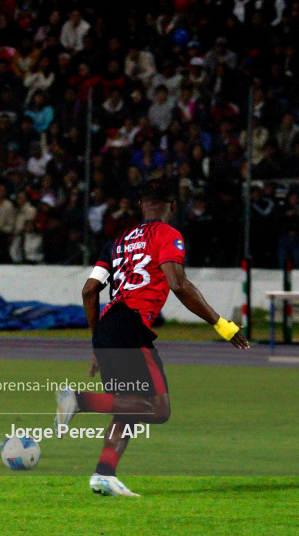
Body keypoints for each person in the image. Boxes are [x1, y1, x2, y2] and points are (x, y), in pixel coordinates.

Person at [56, 179, 249, 496]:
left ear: (141, 205)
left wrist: (97, 344)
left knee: (129, 407)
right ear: (173, 206)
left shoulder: (116, 242)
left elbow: (89, 290)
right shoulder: (167, 235)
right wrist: (222, 325)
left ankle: (104, 474)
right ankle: (79, 400)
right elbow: (179, 284)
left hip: (108, 327)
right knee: (158, 409)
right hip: (132, 326)